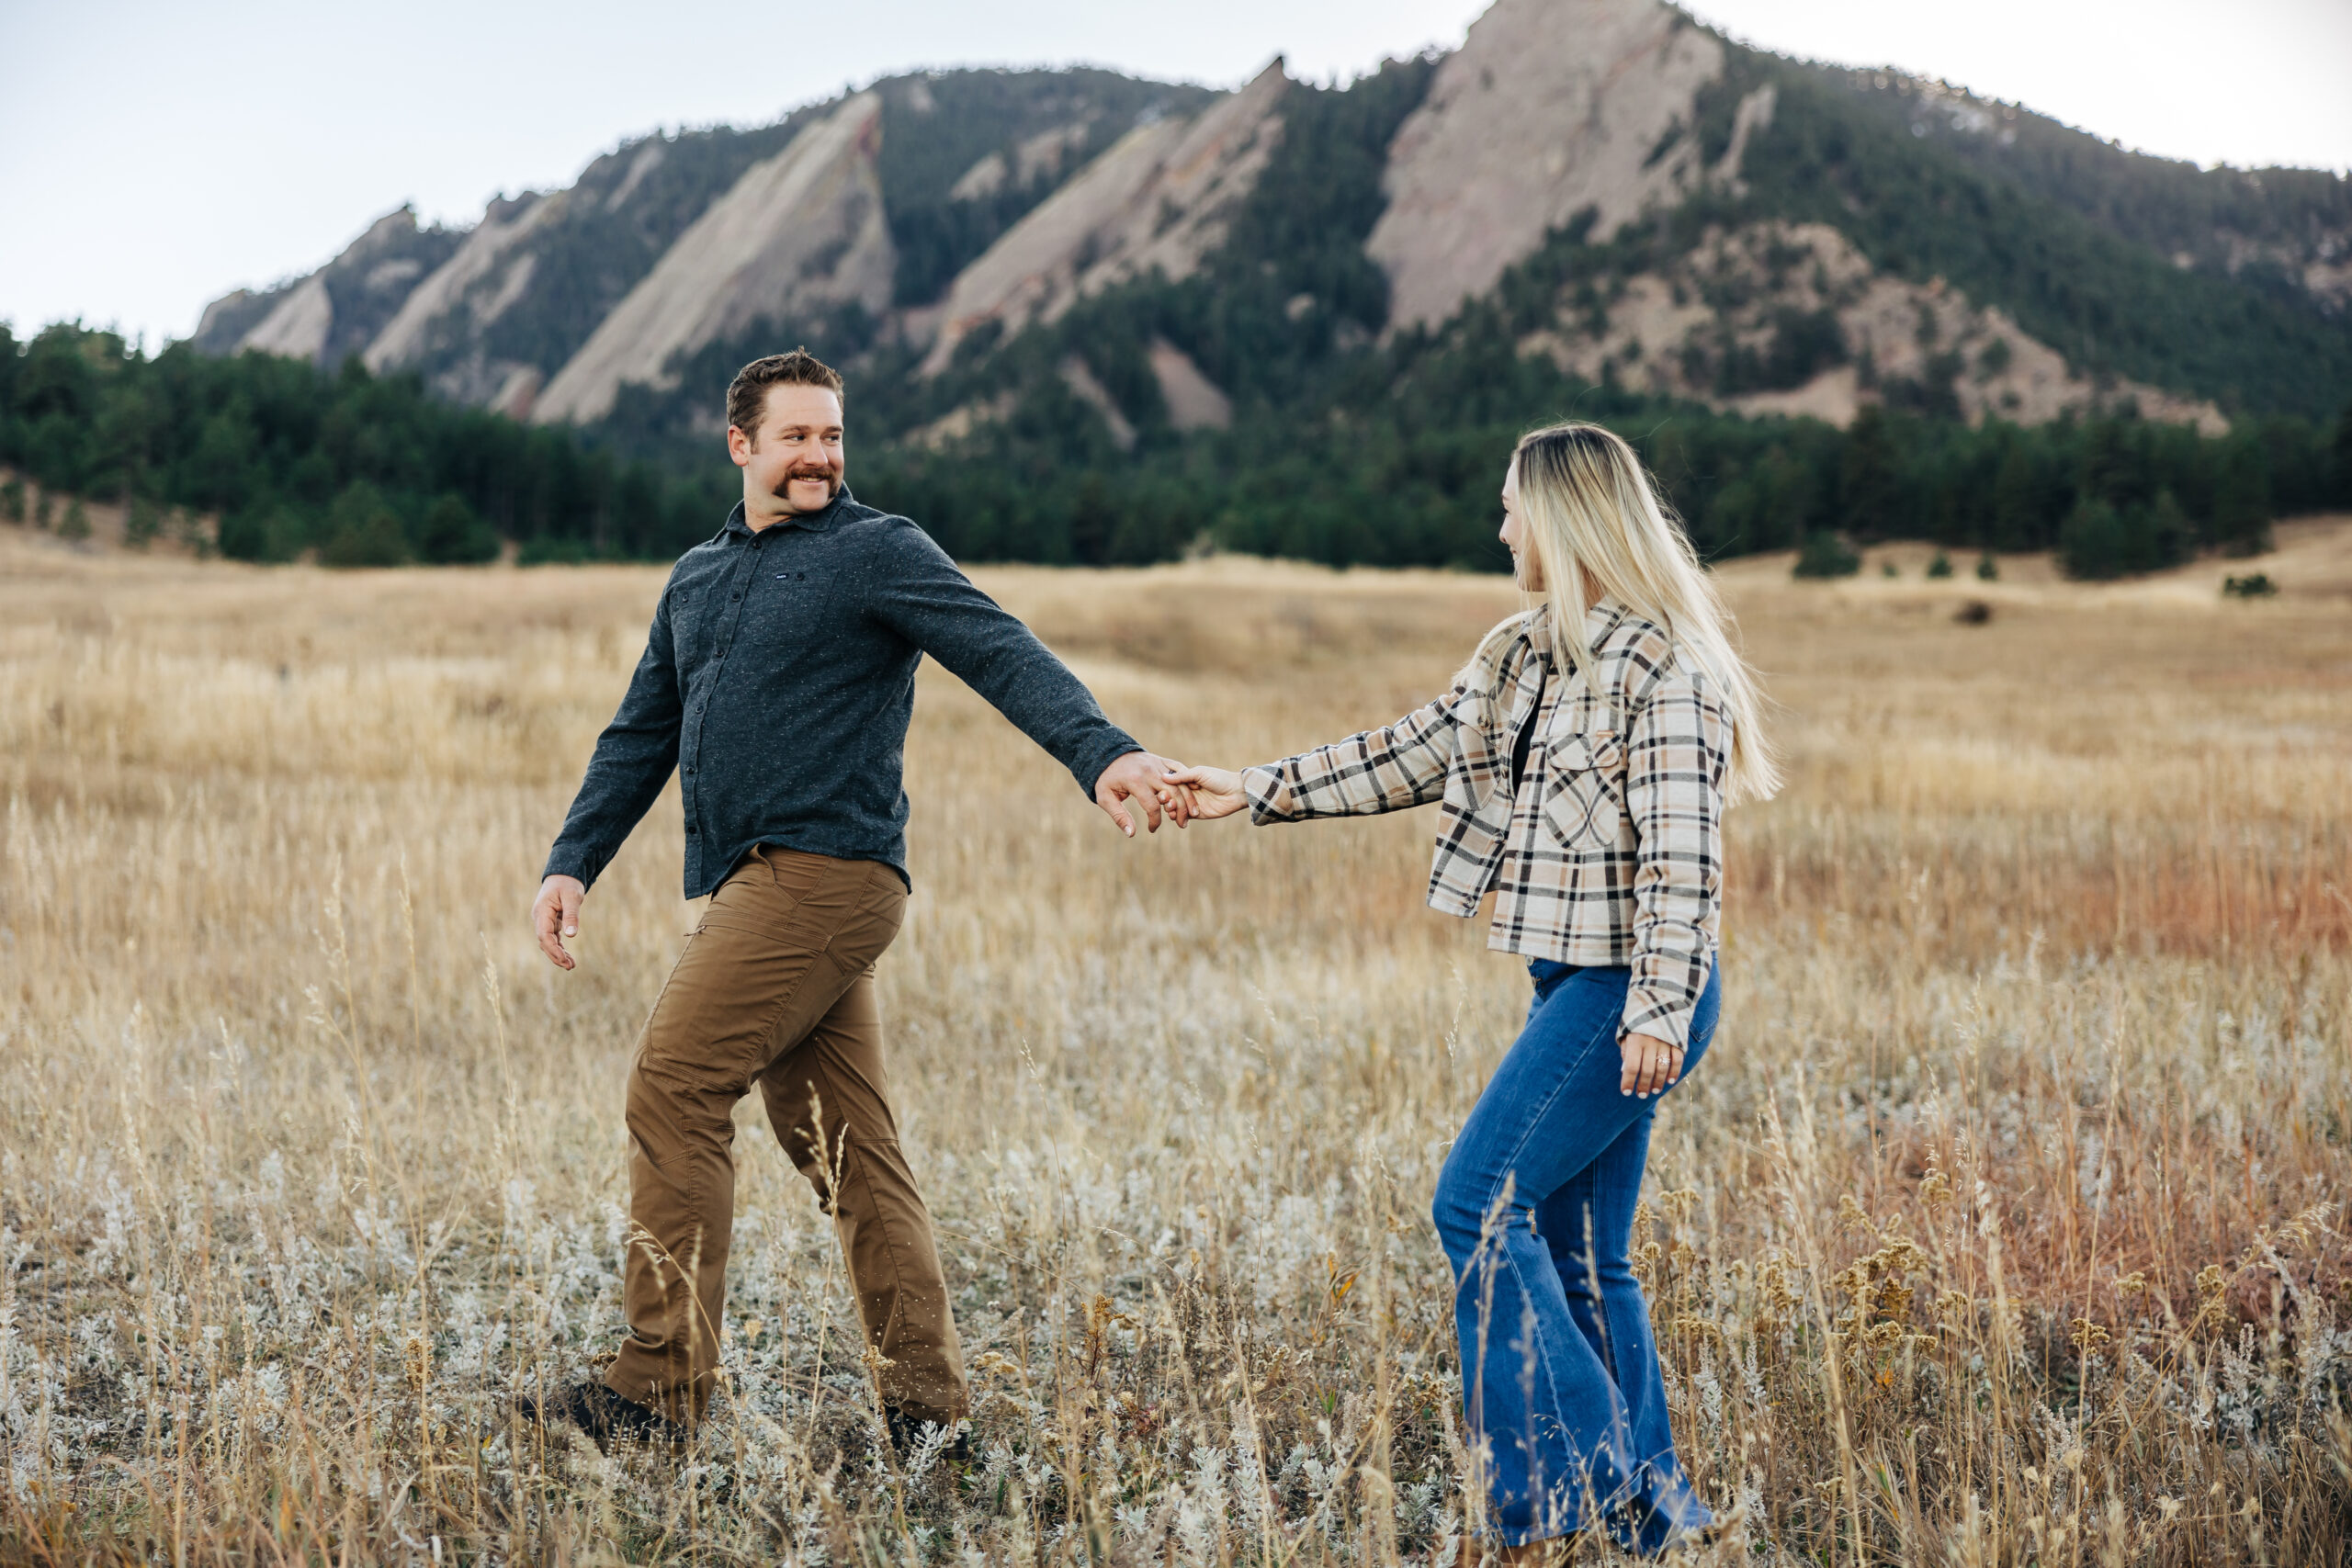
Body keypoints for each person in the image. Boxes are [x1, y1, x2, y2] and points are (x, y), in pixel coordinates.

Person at [526, 348, 1187, 1451]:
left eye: (832, 436)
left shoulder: (876, 550)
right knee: (844, 1148)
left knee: (675, 1085)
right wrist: (572, 858)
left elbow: (999, 649)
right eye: (795, 438)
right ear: (741, 445)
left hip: (825, 876)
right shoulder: (696, 576)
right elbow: (640, 732)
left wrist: (1101, 753)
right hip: (751, 882)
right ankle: (929, 1419)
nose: (819, 457)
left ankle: (654, 1393)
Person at [1159, 423, 1777, 1559]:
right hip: (1567, 983)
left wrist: (1654, 1008)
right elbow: (1410, 751)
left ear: (1562, 518)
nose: (1499, 530)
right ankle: (1653, 1514)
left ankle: (1557, 1490)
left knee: (1477, 1204)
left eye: (1511, 509)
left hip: (1631, 990)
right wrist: (1248, 789)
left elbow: (1685, 864)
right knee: (1586, 1256)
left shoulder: (1667, 672)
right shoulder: (1519, 654)